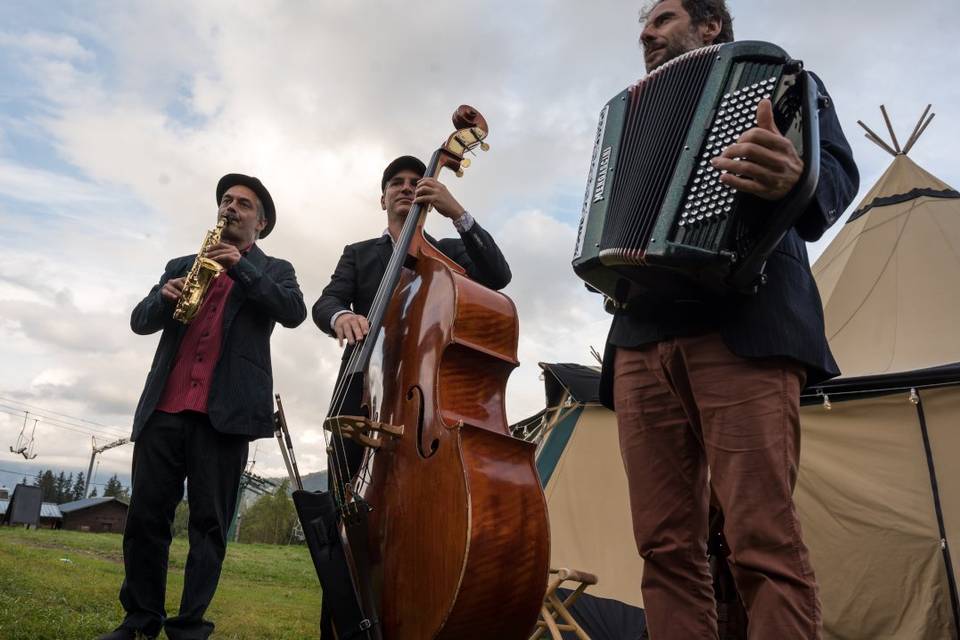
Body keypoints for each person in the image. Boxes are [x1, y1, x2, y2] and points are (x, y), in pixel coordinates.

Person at [598, 1, 860, 638]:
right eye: (644, 24)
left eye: (661, 19)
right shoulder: (626, 111)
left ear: (709, 24)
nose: (646, 33)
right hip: (641, 335)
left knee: (760, 539)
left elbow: (838, 178)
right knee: (663, 548)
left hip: (743, 322)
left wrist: (797, 176)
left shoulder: (780, 77)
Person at [98, 174, 307, 640]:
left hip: (225, 417)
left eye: (244, 204)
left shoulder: (275, 269)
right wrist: (161, 297)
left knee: (209, 527)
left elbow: (293, 312)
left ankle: (190, 626)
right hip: (165, 411)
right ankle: (139, 620)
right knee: (146, 520)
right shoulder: (179, 263)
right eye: (226, 201)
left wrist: (241, 268)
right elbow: (139, 322)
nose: (231, 207)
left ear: (262, 222)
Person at [311, 155, 512, 636]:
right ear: (383, 198)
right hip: (360, 395)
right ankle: (339, 629)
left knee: (416, 520)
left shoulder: (446, 255)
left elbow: (498, 277)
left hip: (424, 407)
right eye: (395, 183)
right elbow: (326, 302)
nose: (405, 188)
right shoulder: (358, 253)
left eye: (414, 181)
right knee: (346, 524)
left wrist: (456, 211)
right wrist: (342, 317)